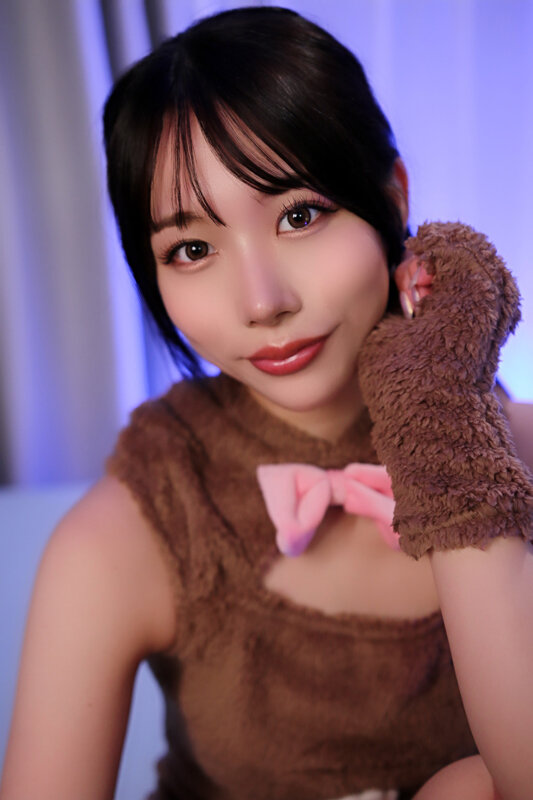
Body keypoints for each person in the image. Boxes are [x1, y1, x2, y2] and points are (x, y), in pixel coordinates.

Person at [1, 6, 532, 800]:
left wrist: (440, 420)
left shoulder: (513, 452)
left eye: (299, 215)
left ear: (391, 196)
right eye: (191, 248)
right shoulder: (139, 523)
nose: (261, 302)